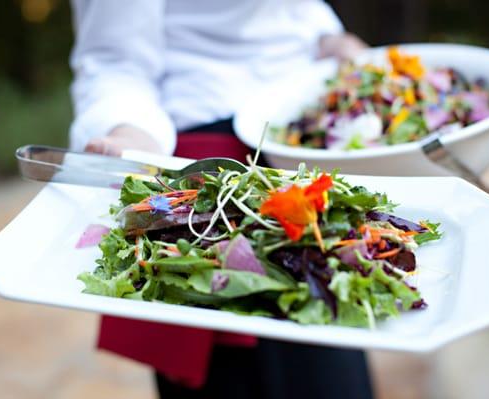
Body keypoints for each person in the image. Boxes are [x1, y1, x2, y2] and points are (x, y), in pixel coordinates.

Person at [69, 1, 373, 398]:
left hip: (305, 150)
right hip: (212, 183)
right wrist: (129, 133)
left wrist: (324, 35)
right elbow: (114, 62)